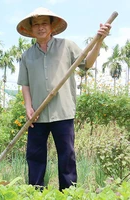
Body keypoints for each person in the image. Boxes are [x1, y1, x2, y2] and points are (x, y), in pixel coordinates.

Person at [16, 7, 111, 191]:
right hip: (37, 115)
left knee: (67, 156)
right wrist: (28, 106)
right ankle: (35, 192)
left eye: (44, 23)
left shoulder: (67, 46)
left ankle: (68, 193)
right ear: (31, 29)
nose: (40, 27)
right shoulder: (27, 55)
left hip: (63, 112)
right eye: (36, 24)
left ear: (52, 26)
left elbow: (87, 64)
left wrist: (99, 40)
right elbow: (25, 84)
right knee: (34, 156)